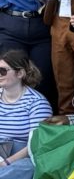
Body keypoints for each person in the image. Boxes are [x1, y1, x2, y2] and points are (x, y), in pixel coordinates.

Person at [0, 50, 52, 178]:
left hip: (22, 156)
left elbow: (36, 143)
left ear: (20, 73)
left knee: (29, 166)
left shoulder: (37, 103)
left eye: (3, 71)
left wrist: (6, 163)